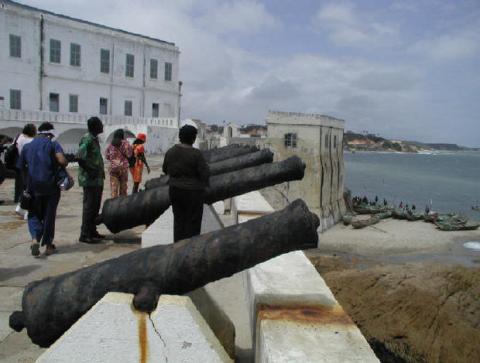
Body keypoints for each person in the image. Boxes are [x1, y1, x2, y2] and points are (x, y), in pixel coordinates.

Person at [16, 122, 67, 257]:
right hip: (51, 186)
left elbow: (21, 167)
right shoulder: (53, 144)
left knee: (33, 214)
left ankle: (35, 239)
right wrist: (64, 164)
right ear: (50, 134)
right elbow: (61, 161)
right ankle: (49, 246)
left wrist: (27, 183)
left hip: (32, 187)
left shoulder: (27, 147)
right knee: (49, 216)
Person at [162, 125, 209, 242]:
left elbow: (165, 169)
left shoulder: (171, 152)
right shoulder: (196, 154)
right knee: (193, 223)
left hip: (175, 190)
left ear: (180, 137)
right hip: (194, 193)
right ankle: (190, 248)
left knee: (179, 221)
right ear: (193, 139)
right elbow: (205, 174)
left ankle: (178, 247)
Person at [77, 117, 105, 244]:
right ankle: (85, 234)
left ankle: (92, 230)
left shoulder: (94, 139)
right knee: (89, 207)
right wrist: (91, 171)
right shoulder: (87, 139)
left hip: (97, 179)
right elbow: (79, 157)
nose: (102, 126)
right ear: (95, 127)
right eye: (100, 124)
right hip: (90, 179)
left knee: (95, 206)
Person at [14, 124, 37, 217]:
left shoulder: (19, 138)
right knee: (31, 189)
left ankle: (20, 207)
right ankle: (27, 212)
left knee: (25, 188)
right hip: (30, 166)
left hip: (22, 165)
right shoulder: (30, 141)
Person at [105, 129, 132, 198]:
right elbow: (129, 155)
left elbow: (107, 156)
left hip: (113, 169)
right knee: (123, 188)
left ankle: (114, 204)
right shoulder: (126, 143)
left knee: (114, 188)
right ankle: (122, 204)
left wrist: (114, 160)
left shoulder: (111, 144)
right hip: (123, 168)